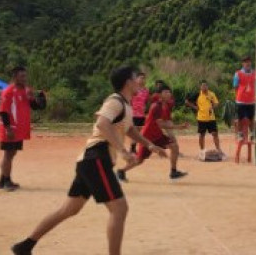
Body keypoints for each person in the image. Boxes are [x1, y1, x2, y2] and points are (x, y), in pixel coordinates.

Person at [11, 66, 166, 255]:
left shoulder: (126, 104)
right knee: (119, 209)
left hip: (91, 160)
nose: (141, 82)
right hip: (96, 158)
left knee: (69, 209)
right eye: (137, 78)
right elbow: (102, 123)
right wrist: (123, 151)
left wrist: (150, 145)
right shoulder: (115, 100)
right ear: (128, 82)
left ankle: (25, 245)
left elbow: (130, 130)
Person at [117, 85, 188, 180]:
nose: (169, 94)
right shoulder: (156, 107)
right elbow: (161, 124)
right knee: (139, 160)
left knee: (174, 146)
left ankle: (173, 172)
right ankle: (122, 171)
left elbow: (164, 121)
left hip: (157, 135)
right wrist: (179, 127)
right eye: (166, 92)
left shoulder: (165, 105)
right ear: (159, 95)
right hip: (147, 136)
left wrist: (176, 126)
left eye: (169, 92)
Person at [0, 66, 46, 192]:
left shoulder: (26, 90)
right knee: (8, 154)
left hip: (20, 129)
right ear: (15, 77)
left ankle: (3, 180)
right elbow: (3, 112)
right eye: (22, 76)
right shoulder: (8, 91)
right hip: (11, 128)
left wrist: (40, 99)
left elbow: (34, 106)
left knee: (12, 153)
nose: (25, 78)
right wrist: (8, 129)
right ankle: (6, 181)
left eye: (25, 76)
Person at [185, 80, 225, 159]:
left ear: (207, 86)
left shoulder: (211, 94)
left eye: (205, 86)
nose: (204, 87)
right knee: (201, 135)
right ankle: (202, 150)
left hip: (211, 118)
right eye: (202, 86)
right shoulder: (197, 94)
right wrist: (195, 107)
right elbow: (187, 102)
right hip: (201, 118)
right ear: (200, 87)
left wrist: (212, 107)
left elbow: (216, 103)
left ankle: (218, 149)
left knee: (215, 134)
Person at [233, 55, 256, 140]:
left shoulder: (255, 73)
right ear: (242, 63)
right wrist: (239, 94)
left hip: (251, 100)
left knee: (252, 118)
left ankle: (252, 133)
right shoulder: (238, 73)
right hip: (241, 100)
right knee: (240, 118)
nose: (248, 63)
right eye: (245, 62)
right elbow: (235, 86)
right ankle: (240, 134)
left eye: (249, 61)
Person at [130, 72, 150, 153]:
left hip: (141, 114)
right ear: (136, 79)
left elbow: (146, 101)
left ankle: (134, 148)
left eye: (144, 78)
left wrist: (146, 109)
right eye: (141, 78)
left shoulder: (146, 90)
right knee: (135, 131)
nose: (142, 80)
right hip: (133, 113)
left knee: (139, 132)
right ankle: (132, 149)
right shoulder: (133, 89)